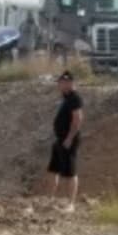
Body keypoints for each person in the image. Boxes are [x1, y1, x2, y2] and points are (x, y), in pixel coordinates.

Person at [44, 70, 84, 213]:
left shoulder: (74, 98)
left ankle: (70, 204)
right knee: (52, 170)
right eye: (59, 82)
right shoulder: (65, 98)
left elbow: (78, 119)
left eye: (62, 82)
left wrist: (69, 138)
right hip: (60, 140)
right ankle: (49, 200)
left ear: (69, 83)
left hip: (68, 140)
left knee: (70, 173)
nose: (59, 85)